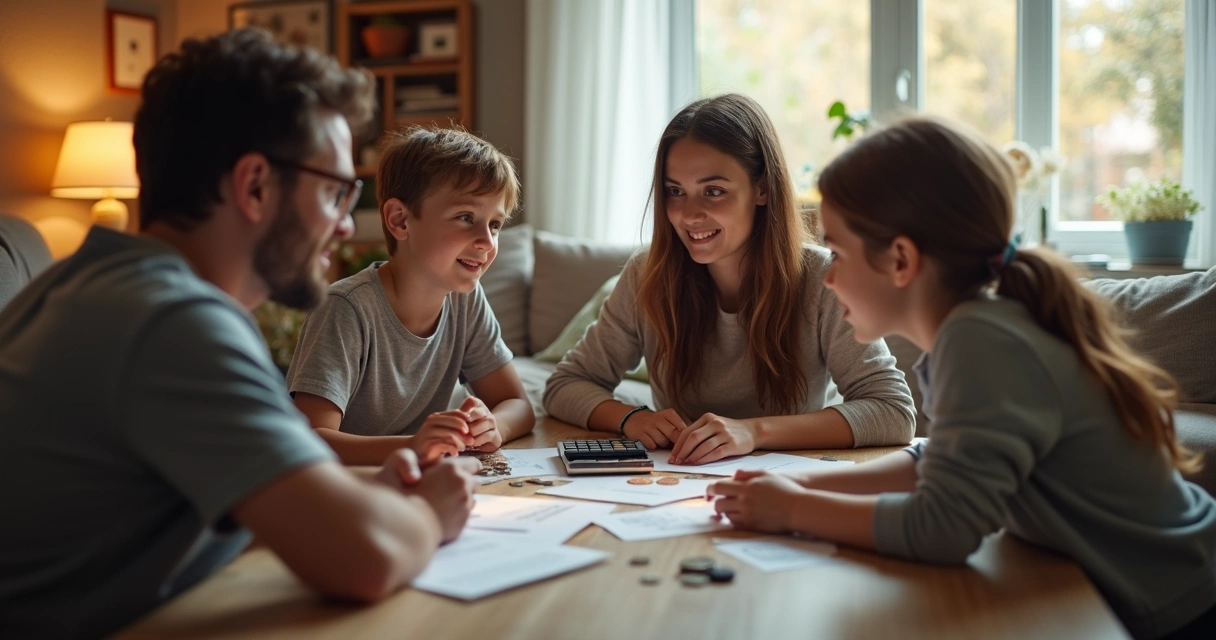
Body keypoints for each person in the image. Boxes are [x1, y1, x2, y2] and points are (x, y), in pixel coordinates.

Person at [0, 29, 480, 639]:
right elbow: (368, 558)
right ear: (255, 185)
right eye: (335, 191)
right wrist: (426, 512)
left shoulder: (83, 284)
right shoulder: (171, 321)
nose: (343, 225)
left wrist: (363, 495)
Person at [707, 116, 1216, 640]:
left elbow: (942, 529)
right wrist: (797, 481)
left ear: (901, 260)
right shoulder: (982, 326)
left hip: (1177, 605)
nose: (828, 278)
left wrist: (791, 507)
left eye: (837, 254)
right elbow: (937, 461)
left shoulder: (983, 343)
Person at [543, 93, 916, 465]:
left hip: (788, 485)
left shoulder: (822, 279)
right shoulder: (646, 274)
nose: (689, 215)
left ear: (763, 188)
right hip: (676, 483)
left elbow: (893, 411)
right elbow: (564, 386)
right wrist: (631, 418)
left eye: (714, 191)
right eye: (676, 192)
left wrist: (752, 432)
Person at [287, 126, 535, 466]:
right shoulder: (347, 308)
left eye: (495, 224)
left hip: (417, 478)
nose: (487, 242)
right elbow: (309, 441)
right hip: (350, 488)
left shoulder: (465, 299)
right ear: (400, 220)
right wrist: (412, 447)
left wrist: (494, 428)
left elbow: (517, 404)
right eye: (466, 217)